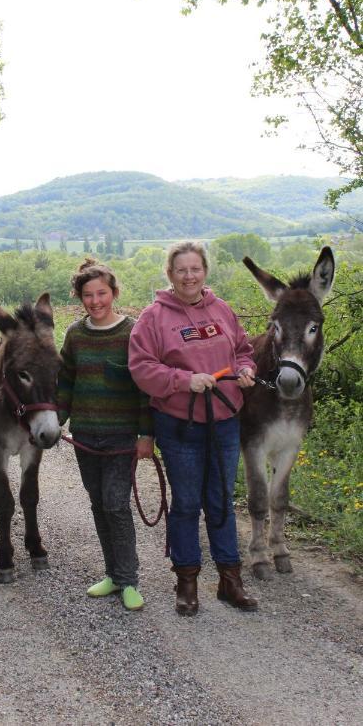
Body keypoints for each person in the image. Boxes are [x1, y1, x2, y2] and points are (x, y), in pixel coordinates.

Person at [128, 240, 258, 616]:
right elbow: (142, 368)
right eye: (181, 270)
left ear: (205, 271)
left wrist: (247, 370)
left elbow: (243, 350)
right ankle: (186, 581)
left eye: (195, 269)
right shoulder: (153, 318)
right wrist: (185, 381)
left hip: (225, 421)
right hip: (180, 424)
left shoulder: (222, 310)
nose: (189, 276)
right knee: (186, 503)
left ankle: (229, 580)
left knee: (220, 502)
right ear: (170, 274)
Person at [57, 258, 154, 611]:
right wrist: (58, 418)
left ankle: (129, 580)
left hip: (121, 437)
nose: (96, 301)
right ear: (80, 298)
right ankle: (112, 575)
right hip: (85, 435)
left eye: (102, 293)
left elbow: (145, 389)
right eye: (88, 295)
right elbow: (66, 381)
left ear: (114, 293)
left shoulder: (133, 333)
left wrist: (146, 433)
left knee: (116, 505)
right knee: (99, 504)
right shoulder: (75, 335)